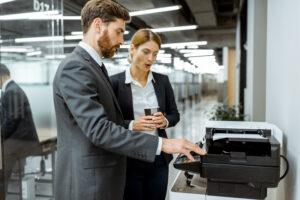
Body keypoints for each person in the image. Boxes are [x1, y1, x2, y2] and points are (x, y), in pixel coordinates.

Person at [53, 0, 206, 200]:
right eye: (119, 32)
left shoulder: (95, 67)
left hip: (104, 176)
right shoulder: (76, 67)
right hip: (88, 183)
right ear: (98, 26)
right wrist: (163, 144)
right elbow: (99, 130)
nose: (122, 41)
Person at [110, 29, 179, 200]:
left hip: (158, 158)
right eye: (146, 52)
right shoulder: (114, 83)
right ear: (132, 49)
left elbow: (175, 114)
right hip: (129, 159)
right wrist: (132, 124)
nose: (151, 59)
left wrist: (165, 121)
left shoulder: (162, 81)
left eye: (155, 54)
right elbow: (109, 123)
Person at [0, 63, 40, 198]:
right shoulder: (13, 89)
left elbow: (11, 121)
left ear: (2, 76)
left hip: (21, 142)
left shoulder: (11, 91)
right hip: (21, 140)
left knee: (1, 169)